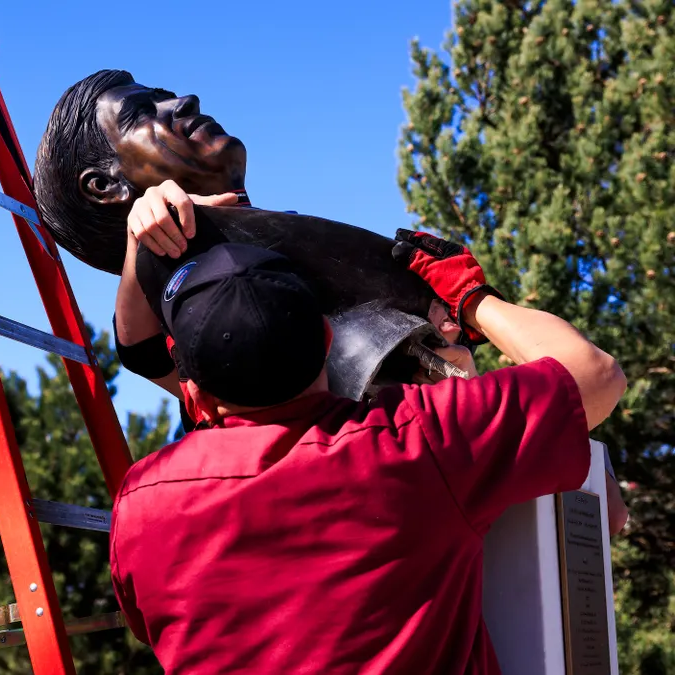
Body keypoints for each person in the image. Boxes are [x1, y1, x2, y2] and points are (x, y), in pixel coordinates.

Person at [36, 69, 629, 533]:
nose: (183, 101)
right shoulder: (194, 324)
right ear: (107, 186)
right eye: (143, 112)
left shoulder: (151, 510)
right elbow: (138, 347)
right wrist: (146, 244)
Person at [109, 239, 627, 673]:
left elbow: (147, 625)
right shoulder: (416, 440)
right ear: (327, 338)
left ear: (193, 393)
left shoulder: (140, 504)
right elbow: (596, 374)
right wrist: (473, 299)